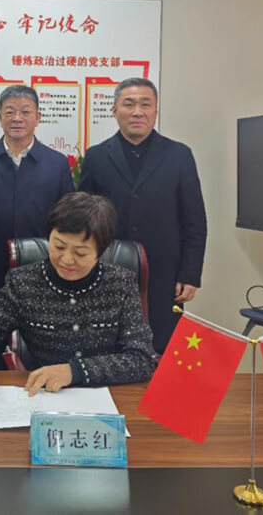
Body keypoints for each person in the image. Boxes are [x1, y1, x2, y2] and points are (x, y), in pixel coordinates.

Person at [0, 192, 156, 393]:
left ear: (101, 251)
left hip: (109, 398)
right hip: (43, 397)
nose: (66, 259)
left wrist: (75, 371)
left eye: (80, 253)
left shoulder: (121, 283)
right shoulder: (23, 282)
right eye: (58, 246)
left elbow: (141, 359)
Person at [78, 78, 207, 353]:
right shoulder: (96, 156)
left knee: (160, 347)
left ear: (155, 111)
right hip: (108, 271)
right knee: (108, 349)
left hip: (165, 275)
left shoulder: (179, 155)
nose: (137, 112)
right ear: (114, 110)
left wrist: (190, 273)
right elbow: (84, 221)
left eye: (145, 104)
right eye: (129, 104)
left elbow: (194, 220)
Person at [0, 85, 73, 311]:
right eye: (10, 112)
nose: (17, 118)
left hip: (42, 270)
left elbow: (68, 224)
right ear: (0, 118)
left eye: (25, 112)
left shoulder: (57, 163)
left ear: (38, 117)